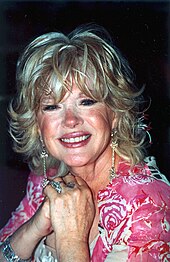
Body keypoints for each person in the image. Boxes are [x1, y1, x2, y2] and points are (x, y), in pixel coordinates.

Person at [0, 24, 169, 262]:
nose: (70, 121)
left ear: (116, 112)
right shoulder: (44, 179)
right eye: (52, 106)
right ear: (37, 124)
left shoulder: (149, 203)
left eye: (87, 102)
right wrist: (34, 228)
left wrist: (71, 240)